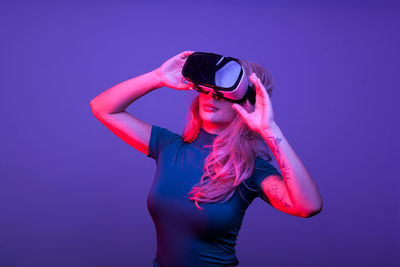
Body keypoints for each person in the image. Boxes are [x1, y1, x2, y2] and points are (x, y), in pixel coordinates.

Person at [90, 51, 323, 267]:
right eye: (207, 90)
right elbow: (102, 108)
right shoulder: (168, 146)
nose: (212, 97)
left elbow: (307, 206)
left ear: (245, 104)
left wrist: (270, 129)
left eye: (223, 94)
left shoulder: (250, 169)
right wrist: (158, 77)